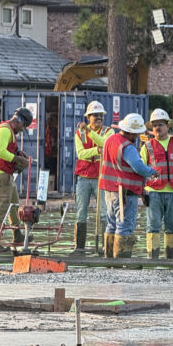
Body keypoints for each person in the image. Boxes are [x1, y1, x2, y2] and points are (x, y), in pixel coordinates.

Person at [99, 113, 158, 259]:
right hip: (125, 192)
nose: (138, 136)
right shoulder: (128, 147)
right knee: (124, 226)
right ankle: (122, 260)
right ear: (131, 132)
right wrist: (152, 172)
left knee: (111, 224)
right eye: (137, 133)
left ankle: (109, 259)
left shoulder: (110, 140)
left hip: (110, 190)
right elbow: (139, 167)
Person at [140, 108, 173, 259]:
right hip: (153, 192)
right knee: (153, 226)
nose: (157, 128)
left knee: (172, 226)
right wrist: (141, 191)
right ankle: (153, 257)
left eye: (160, 124)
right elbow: (139, 168)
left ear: (167, 126)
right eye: (155, 125)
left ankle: (171, 258)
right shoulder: (147, 146)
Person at [0, 106, 33, 252]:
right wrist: (16, 158)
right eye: (23, 126)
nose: (22, 129)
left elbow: (6, 148)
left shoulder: (8, 130)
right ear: (19, 121)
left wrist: (17, 152)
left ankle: (17, 235)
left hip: (5, 173)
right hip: (0, 174)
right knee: (2, 206)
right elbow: (0, 151)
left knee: (14, 204)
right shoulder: (5, 130)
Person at [72, 100, 114, 255]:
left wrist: (90, 134)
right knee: (81, 212)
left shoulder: (109, 131)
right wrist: (97, 150)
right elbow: (81, 154)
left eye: (100, 115)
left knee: (104, 212)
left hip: (101, 177)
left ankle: (106, 247)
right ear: (88, 117)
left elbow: (105, 143)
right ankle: (79, 247)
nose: (99, 118)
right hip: (83, 177)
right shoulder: (79, 133)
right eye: (95, 115)